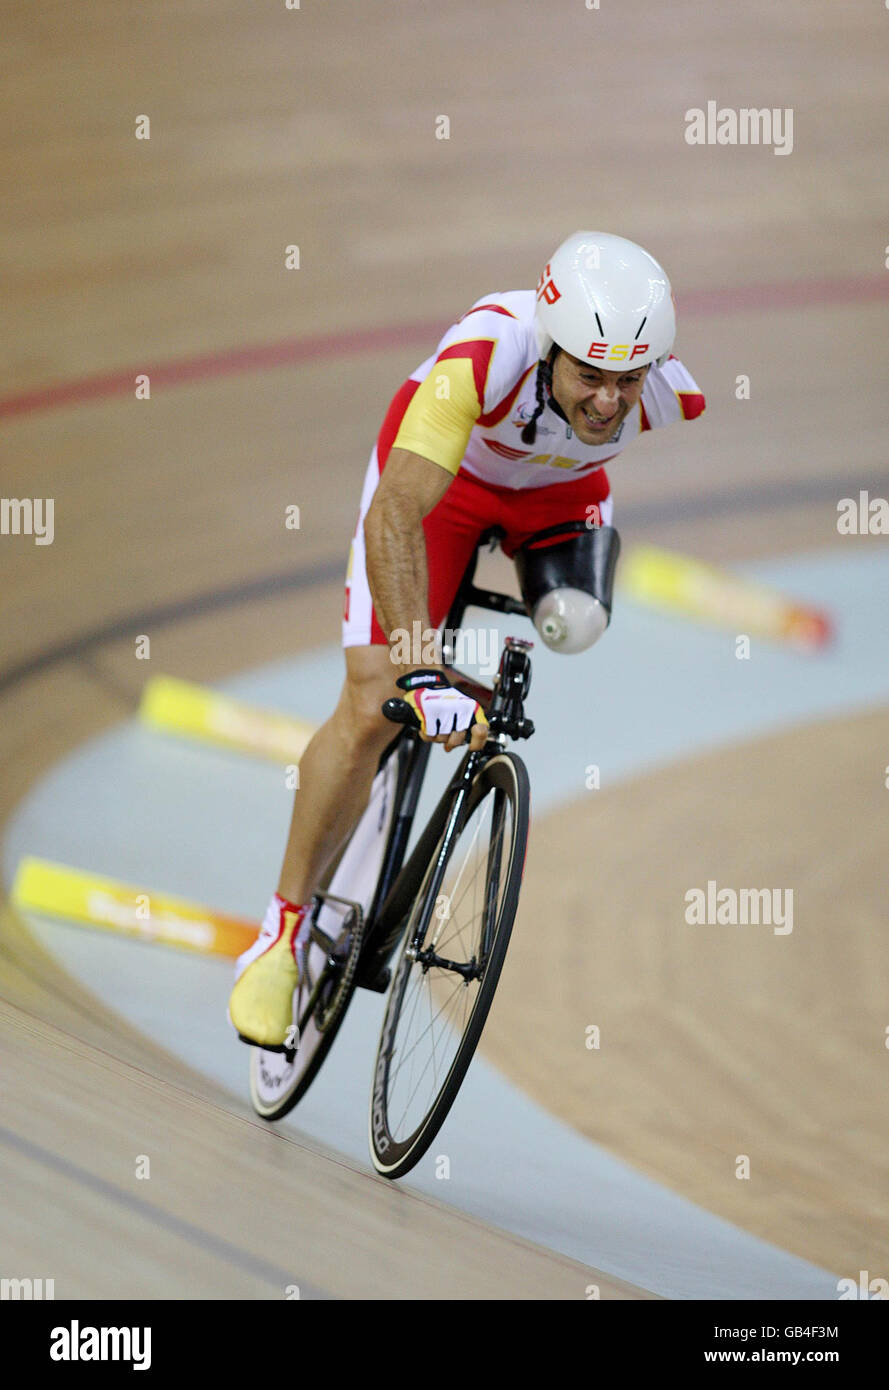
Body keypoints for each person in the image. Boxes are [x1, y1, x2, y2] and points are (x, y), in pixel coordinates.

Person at [228, 230, 705, 1047]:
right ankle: (280, 930)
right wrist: (417, 666)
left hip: (552, 502)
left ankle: (468, 696)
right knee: (374, 702)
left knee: (575, 624)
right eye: (588, 374)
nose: (606, 400)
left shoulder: (665, 395)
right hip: (439, 488)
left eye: (626, 380)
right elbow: (396, 514)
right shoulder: (482, 358)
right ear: (548, 347)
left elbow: (597, 448)